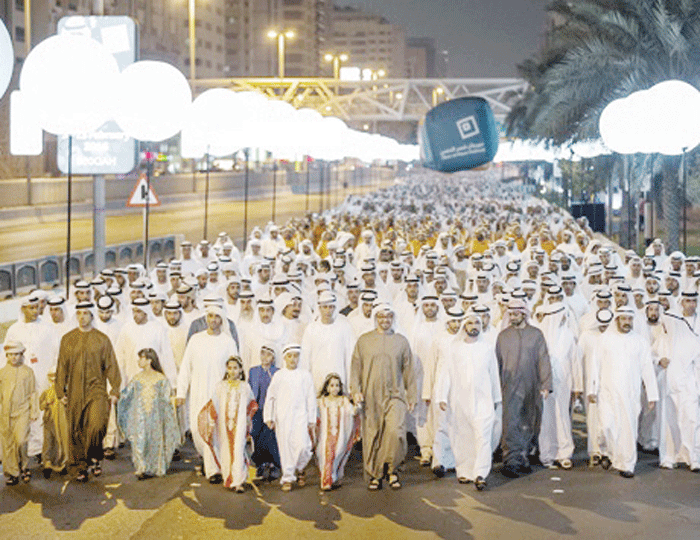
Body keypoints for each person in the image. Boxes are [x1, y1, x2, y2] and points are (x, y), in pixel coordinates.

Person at [350, 303, 417, 490]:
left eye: (388, 317)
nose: (384, 320)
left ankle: (393, 470)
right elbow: (355, 368)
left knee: (395, 432)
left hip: (395, 394)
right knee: (373, 435)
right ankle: (375, 474)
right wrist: (355, 390)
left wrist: (411, 395)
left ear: (393, 318)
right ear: (375, 318)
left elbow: (409, 370)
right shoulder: (364, 341)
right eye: (381, 317)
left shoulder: (401, 341)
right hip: (370, 396)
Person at [55, 302, 121, 482]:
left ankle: (95, 456)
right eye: (79, 313)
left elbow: (111, 366)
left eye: (86, 313)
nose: (82, 317)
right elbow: (61, 366)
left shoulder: (102, 339)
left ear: (92, 316)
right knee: (76, 429)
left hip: (96, 390)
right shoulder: (67, 339)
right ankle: (81, 466)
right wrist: (60, 392)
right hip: (75, 391)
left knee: (97, 425)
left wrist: (115, 389)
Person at [589, 308, 659, 478]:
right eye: (624, 319)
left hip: (630, 394)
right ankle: (608, 453)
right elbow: (594, 365)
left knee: (628, 430)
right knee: (607, 426)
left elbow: (647, 369)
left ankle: (627, 465)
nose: (627, 322)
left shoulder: (640, 341)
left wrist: (652, 394)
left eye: (629, 318)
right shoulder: (604, 339)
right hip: (607, 393)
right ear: (617, 320)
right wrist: (592, 389)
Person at [436, 314, 501, 490]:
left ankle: (480, 474)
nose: (474, 326)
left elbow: (494, 374)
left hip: (483, 401)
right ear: (464, 326)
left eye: (477, 323)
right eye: (470, 323)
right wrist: (442, 396)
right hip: (460, 401)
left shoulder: (487, 348)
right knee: (463, 437)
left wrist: (496, 398)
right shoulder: (454, 349)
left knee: (482, 436)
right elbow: (446, 374)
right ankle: (464, 471)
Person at [176, 304, 239, 484]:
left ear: (222, 320)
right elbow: (186, 367)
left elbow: (235, 369)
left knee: (215, 430)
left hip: (219, 394)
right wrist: (181, 392)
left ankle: (214, 470)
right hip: (197, 392)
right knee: (197, 430)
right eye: (210, 316)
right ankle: (207, 459)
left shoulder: (228, 342)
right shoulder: (196, 340)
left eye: (217, 317)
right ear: (206, 319)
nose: (213, 320)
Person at [495, 299, 552, 478]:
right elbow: (496, 363)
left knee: (530, 421)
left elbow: (543, 359)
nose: (513, 317)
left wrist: (546, 384)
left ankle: (523, 457)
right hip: (509, 386)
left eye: (516, 314)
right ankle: (511, 460)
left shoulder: (536, 334)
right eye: (510, 314)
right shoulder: (503, 336)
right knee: (511, 422)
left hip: (531, 385)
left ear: (524, 314)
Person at [117, 348, 181, 480]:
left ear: (149, 360)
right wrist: (118, 397)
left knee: (155, 440)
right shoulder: (137, 378)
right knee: (140, 441)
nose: (138, 361)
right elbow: (127, 394)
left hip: (156, 417)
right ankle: (142, 468)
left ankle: (156, 467)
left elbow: (166, 400)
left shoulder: (160, 379)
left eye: (141, 358)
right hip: (139, 417)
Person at [199, 356, 258, 492]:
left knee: (238, 449)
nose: (232, 371)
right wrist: (211, 421)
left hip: (240, 425)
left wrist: (248, 421)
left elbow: (252, 404)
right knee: (225, 451)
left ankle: (238, 482)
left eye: (235, 368)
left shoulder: (245, 387)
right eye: (230, 368)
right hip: (223, 426)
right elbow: (213, 405)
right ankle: (228, 477)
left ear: (241, 369)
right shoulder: (220, 386)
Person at [263, 343, 316, 492]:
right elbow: (271, 397)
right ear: (285, 358)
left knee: (303, 447)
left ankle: (300, 467)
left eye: (296, 356)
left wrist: (311, 419)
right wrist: (269, 416)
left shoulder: (305, 375)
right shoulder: (279, 375)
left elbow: (310, 398)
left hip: (301, 416)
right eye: (290, 356)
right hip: (283, 417)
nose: (293, 359)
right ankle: (287, 477)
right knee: (285, 448)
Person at [300, 291, 356, 392]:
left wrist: (350, 386)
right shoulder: (311, 329)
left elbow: (350, 357)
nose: (328, 311)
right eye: (324, 307)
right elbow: (305, 359)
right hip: (316, 379)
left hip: (339, 380)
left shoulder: (345, 327)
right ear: (319, 308)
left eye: (331, 307)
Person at [0, 341, 38, 485]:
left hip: (22, 411)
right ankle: (12, 473)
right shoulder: (2, 373)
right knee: (8, 444)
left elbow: (33, 393)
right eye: (11, 355)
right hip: (5, 414)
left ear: (22, 355)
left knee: (21, 441)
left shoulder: (27, 372)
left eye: (17, 354)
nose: (14, 358)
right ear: (7, 356)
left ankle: (24, 467)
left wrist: (34, 411)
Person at [315, 373, 360, 491]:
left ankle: (333, 477)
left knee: (337, 454)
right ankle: (326, 481)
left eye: (337, 385)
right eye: (332, 385)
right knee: (325, 456)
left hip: (340, 436)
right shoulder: (321, 401)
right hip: (325, 436)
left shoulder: (344, 400)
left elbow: (352, 412)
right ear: (327, 387)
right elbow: (315, 415)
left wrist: (357, 405)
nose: (334, 388)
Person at [249, 345, 281, 481]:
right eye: (262, 354)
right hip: (257, 409)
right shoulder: (253, 371)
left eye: (268, 355)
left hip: (272, 410)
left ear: (273, 358)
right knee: (257, 436)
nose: (264, 357)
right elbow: (249, 390)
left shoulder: (277, 372)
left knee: (271, 437)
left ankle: (274, 465)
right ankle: (260, 464)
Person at [39, 370, 70, 478]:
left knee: (62, 442)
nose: (54, 382)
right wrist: (47, 402)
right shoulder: (47, 392)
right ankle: (47, 463)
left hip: (62, 422)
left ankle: (62, 464)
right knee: (49, 442)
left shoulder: (66, 392)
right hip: (49, 421)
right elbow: (41, 406)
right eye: (51, 379)